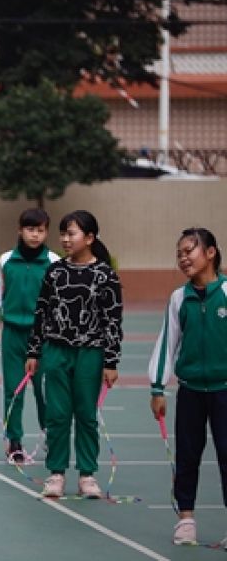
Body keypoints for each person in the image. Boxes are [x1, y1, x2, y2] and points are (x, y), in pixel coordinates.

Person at [25, 210, 123, 499]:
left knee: (86, 414)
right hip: (55, 351)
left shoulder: (105, 275)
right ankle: (55, 473)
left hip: (90, 353)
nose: (65, 239)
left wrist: (111, 360)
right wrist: (34, 351)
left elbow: (113, 320)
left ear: (90, 238)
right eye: (63, 233)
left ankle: (87, 474)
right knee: (57, 414)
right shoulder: (55, 272)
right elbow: (41, 312)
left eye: (72, 234)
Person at [148, 227, 227, 546]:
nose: (183, 258)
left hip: (225, 390)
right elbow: (167, 344)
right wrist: (157, 387)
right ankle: (186, 521)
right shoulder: (179, 298)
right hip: (191, 390)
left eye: (189, 251)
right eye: (179, 253)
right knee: (188, 456)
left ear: (210, 253)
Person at [0, 208, 59, 463]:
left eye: (41, 230)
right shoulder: (5, 261)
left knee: (45, 390)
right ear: (20, 230)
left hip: (44, 336)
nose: (35, 235)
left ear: (46, 232)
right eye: (30, 229)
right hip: (12, 333)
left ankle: (50, 437)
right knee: (13, 390)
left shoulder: (54, 262)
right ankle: (14, 443)